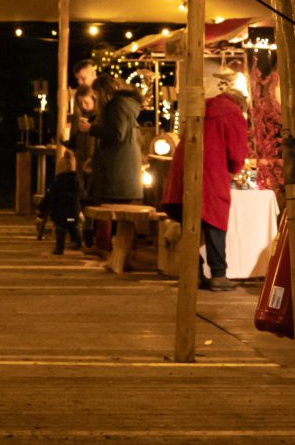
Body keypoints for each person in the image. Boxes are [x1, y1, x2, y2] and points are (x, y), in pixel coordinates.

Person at [162, 74, 251, 288]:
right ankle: (218, 274)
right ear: (241, 104)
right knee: (214, 221)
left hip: (185, 172)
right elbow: (237, 152)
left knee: (191, 221)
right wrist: (235, 168)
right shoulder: (233, 112)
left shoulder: (202, 107)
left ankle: (194, 272)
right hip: (211, 173)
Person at [86, 72, 144, 204]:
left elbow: (117, 134)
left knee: (107, 214)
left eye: (96, 94)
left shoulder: (117, 105)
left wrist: (91, 128)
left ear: (102, 91)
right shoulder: (124, 105)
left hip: (116, 177)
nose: (96, 98)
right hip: (120, 175)